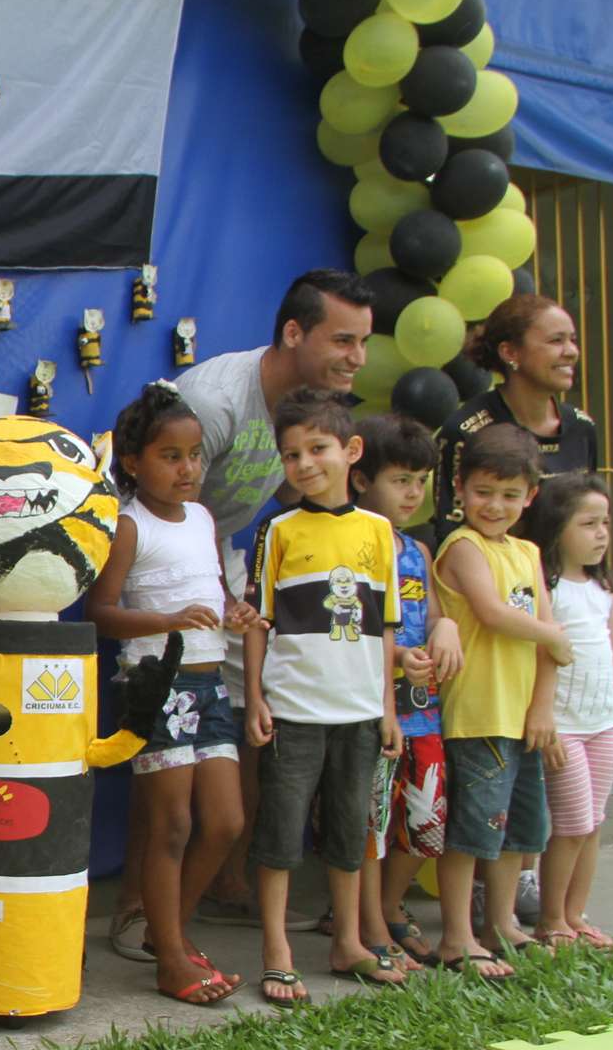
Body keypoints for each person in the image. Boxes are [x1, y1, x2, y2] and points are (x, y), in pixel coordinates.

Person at [172, 270, 376, 930]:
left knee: (258, 713)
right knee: (179, 743)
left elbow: (287, 496)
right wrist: (220, 592)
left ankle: (231, 875)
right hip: (170, 564)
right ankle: (152, 905)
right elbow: (165, 511)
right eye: (342, 340)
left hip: (224, 560)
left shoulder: (303, 408)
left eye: (364, 343)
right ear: (293, 332)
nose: (357, 358)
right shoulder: (215, 402)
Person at [84, 383, 253, 1004]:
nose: (188, 469)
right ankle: (173, 959)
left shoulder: (203, 518)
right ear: (133, 462)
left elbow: (213, 592)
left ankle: (168, 934)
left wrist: (235, 611)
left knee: (227, 821)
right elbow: (101, 613)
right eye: (171, 456)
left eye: (195, 455)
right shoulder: (130, 525)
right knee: (172, 825)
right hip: (157, 685)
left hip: (209, 684)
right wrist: (168, 622)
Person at [243, 390, 404, 1007]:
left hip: (360, 713)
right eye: (292, 454)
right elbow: (259, 622)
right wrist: (256, 698)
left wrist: (388, 710)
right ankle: (277, 951)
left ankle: (350, 943)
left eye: (317, 448)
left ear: (351, 450)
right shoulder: (278, 530)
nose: (304, 463)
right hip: (294, 710)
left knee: (349, 831)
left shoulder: (379, 532)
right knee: (281, 833)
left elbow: (385, 628)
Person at [431, 426, 570, 979]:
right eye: (483, 492)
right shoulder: (463, 547)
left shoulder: (528, 552)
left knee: (520, 830)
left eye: (510, 495)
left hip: (521, 714)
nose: (495, 506)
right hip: (479, 713)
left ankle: (501, 924)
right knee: (472, 831)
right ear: (461, 490)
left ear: (530, 496)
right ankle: (456, 937)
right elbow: (491, 613)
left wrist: (543, 708)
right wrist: (552, 634)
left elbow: (547, 645)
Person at [349, 415, 462, 971]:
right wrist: (397, 658)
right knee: (371, 824)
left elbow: (433, 614)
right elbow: (348, 628)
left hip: (423, 712)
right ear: (361, 479)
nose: (414, 493)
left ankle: (391, 905)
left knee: (425, 821)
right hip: (370, 709)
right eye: (400, 480)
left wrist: (446, 627)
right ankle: (369, 923)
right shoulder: (353, 544)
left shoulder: (416, 549)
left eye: (421, 481)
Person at [523, 473, 613, 950]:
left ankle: (574, 914)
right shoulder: (545, 589)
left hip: (603, 721)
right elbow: (538, 657)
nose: (602, 533)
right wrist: (545, 719)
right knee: (571, 824)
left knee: (593, 823)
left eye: (605, 522)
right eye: (588, 524)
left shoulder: (601, 588)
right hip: (564, 725)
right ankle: (551, 920)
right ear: (556, 527)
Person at [433, 293, 597, 546]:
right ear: (510, 352)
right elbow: (452, 535)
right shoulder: (466, 431)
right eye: (556, 340)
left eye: (572, 340)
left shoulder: (582, 427)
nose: (572, 352)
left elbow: (592, 518)